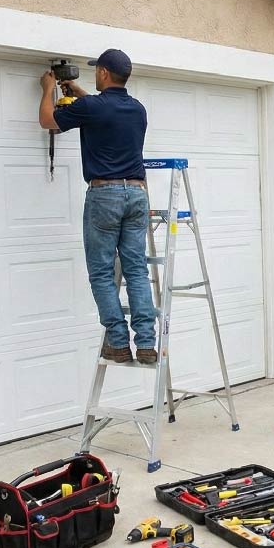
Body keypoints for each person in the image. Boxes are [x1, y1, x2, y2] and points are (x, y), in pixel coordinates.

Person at [39, 49, 156, 364]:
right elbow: (104, 110)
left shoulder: (91, 107)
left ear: (104, 73)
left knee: (102, 272)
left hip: (105, 194)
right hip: (137, 193)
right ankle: (146, 343)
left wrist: (48, 88)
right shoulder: (138, 109)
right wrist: (79, 94)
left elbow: (48, 121)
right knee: (136, 270)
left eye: (96, 71)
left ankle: (118, 343)